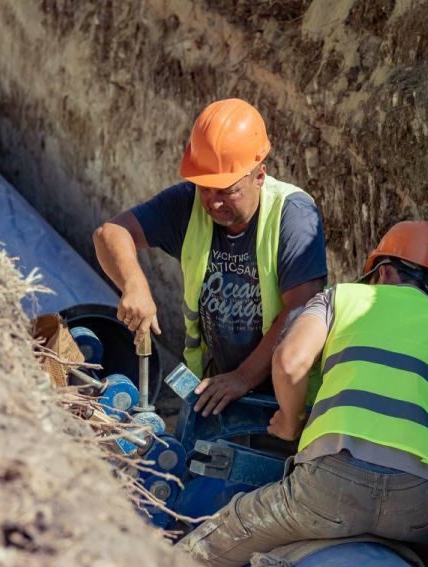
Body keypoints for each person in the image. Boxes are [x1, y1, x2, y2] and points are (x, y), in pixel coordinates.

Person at [178, 221, 428, 567]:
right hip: (421, 505)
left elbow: (289, 361)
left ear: (383, 271)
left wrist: (288, 423)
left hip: (325, 492)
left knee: (216, 541)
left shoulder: (342, 298)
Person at [93, 98, 327, 416]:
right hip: (214, 388)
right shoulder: (187, 205)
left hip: (284, 400)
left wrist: (243, 378)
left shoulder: (292, 215)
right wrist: (133, 284)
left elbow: (302, 307)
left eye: (226, 190)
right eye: (205, 188)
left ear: (259, 175)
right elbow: (110, 233)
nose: (213, 203)